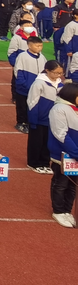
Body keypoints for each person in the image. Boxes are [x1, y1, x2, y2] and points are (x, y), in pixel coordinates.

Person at [47, 83, 78, 228]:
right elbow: (61, 134)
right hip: (63, 154)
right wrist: (76, 153)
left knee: (73, 185)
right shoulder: (58, 109)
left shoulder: (75, 109)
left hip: (75, 155)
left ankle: (67, 210)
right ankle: (58, 211)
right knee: (61, 183)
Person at [27, 60, 64, 174]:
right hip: (39, 119)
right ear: (47, 70)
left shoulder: (60, 84)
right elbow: (32, 102)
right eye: (56, 73)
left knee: (48, 142)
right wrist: (33, 119)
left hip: (53, 120)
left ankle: (45, 162)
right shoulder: (39, 83)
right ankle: (33, 162)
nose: (58, 75)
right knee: (37, 141)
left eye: (60, 73)